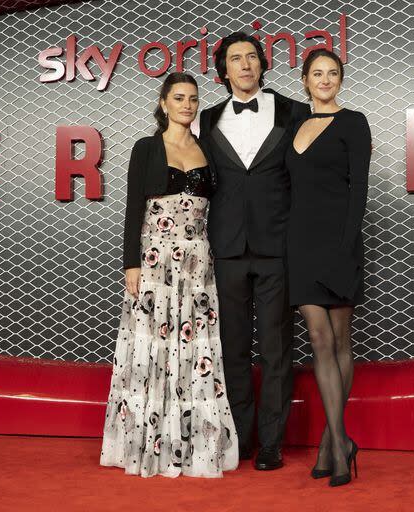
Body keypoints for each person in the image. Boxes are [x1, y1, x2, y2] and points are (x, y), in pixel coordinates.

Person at [100, 72, 239, 478]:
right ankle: (146, 444)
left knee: (195, 347)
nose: (187, 105)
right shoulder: (146, 148)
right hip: (156, 261)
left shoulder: (207, 149)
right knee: (152, 349)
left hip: (198, 263)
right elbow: (132, 210)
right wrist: (131, 263)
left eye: (193, 99)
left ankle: (193, 445)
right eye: (179, 98)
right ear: (164, 103)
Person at [198, 32, 309, 470]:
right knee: (233, 346)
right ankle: (241, 437)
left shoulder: (294, 112)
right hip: (225, 247)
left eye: (251, 58)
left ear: (263, 66)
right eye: (234, 59)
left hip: (277, 246)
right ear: (223, 71)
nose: (244, 65)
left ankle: (271, 442)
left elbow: (311, 178)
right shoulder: (204, 120)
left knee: (277, 348)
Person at [285, 48, 372, 487]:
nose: (324, 79)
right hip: (299, 246)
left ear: (341, 79)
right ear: (304, 80)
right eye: (316, 73)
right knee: (318, 339)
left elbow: (358, 193)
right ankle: (340, 442)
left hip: (338, 245)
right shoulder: (293, 127)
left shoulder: (353, 122)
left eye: (332, 73)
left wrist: (345, 249)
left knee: (339, 342)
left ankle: (331, 444)